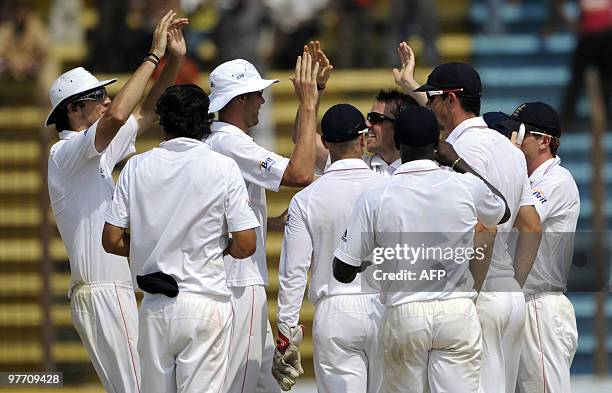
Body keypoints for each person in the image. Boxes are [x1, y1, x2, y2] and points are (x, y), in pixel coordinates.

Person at [45, 11, 187, 393]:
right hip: (102, 290)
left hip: (113, 289)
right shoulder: (67, 152)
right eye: (97, 98)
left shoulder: (94, 153)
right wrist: (153, 56)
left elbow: (147, 111)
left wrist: (173, 61)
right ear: (73, 111)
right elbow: (123, 111)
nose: (107, 102)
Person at [333, 105, 509, 393]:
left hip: (404, 311)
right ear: (438, 144)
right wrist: (457, 161)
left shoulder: (377, 194)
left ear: (399, 144)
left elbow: (342, 271)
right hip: (456, 311)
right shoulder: (464, 185)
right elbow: (502, 211)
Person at [102, 84, 259, 393]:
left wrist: (150, 246)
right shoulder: (222, 166)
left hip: (155, 306)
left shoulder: (136, 166)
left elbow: (111, 239)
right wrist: (216, 249)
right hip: (205, 300)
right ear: (206, 121)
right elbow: (246, 243)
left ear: (163, 122)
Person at [411, 61, 542, 393]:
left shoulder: (460, 151)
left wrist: (471, 294)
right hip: (508, 294)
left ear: (451, 99)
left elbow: (484, 229)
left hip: (477, 292)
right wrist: (513, 280)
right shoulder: (508, 149)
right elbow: (531, 226)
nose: (430, 106)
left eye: (433, 98)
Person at [205, 53, 319, 392]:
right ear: (240, 99)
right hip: (240, 283)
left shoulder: (214, 140)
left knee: (266, 384)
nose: (263, 100)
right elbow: (299, 174)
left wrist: (267, 222)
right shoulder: (231, 141)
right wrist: (309, 104)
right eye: (257, 94)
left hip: (229, 279)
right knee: (240, 384)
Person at [275, 104, 386, 392]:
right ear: (363, 139)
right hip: (384, 306)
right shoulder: (389, 187)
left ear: (324, 142)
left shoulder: (306, 199)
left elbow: (294, 271)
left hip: (335, 311)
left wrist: (286, 332)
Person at [486, 102, 580, 393]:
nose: (513, 138)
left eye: (521, 133)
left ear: (544, 141)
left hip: (540, 305)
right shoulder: (526, 178)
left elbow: (523, 219)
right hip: (521, 303)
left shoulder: (556, 180)